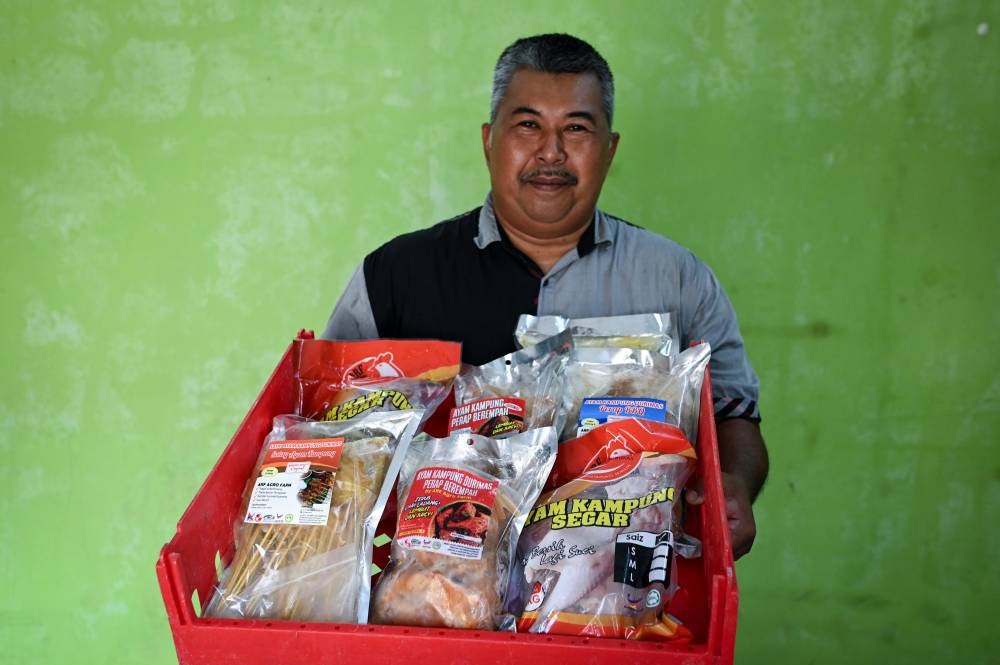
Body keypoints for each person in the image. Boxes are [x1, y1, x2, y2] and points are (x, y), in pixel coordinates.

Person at [322, 33, 768, 559]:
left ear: (610, 148)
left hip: (611, 591)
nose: (551, 152)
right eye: (528, 125)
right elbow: (327, 425)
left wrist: (734, 483)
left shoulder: (677, 279)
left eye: (576, 128)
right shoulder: (395, 275)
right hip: (433, 580)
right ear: (490, 140)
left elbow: (736, 417)